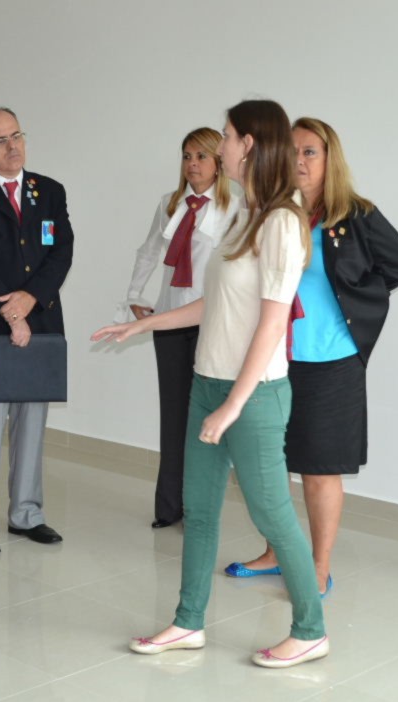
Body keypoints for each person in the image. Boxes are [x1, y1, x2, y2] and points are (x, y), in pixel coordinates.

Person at [92, 99, 327, 668]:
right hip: (208, 382)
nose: (218, 147)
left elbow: (273, 322)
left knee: (272, 515)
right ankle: (187, 622)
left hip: (254, 394)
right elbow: (215, 302)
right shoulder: (245, 211)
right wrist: (146, 322)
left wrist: (233, 405)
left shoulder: (282, 221)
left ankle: (311, 630)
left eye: (225, 136)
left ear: (250, 144)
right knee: (198, 511)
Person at [224, 117, 398, 593]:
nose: (299, 160)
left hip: (332, 362)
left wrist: (356, 299)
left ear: (330, 159)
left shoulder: (355, 213)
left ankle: (319, 566)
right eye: (292, 151)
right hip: (275, 359)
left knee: (319, 470)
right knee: (269, 464)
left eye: (310, 151)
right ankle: (276, 553)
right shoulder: (274, 213)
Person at [0, 106, 73, 555]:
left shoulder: (49, 190)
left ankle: (27, 513)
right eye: (0, 140)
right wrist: (11, 310)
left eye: (17, 136)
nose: (12, 147)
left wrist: (30, 299)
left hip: (39, 324)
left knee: (31, 426)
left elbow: (61, 251)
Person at [123, 128, 233, 529]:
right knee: (173, 414)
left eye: (201, 156)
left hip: (212, 323)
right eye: (187, 156)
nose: (193, 164)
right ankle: (169, 507)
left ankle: (200, 508)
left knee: (206, 416)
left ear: (219, 162)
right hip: (170, 319)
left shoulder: (234, 208)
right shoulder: (170, 204)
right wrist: (135, 294)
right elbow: (149, 250)